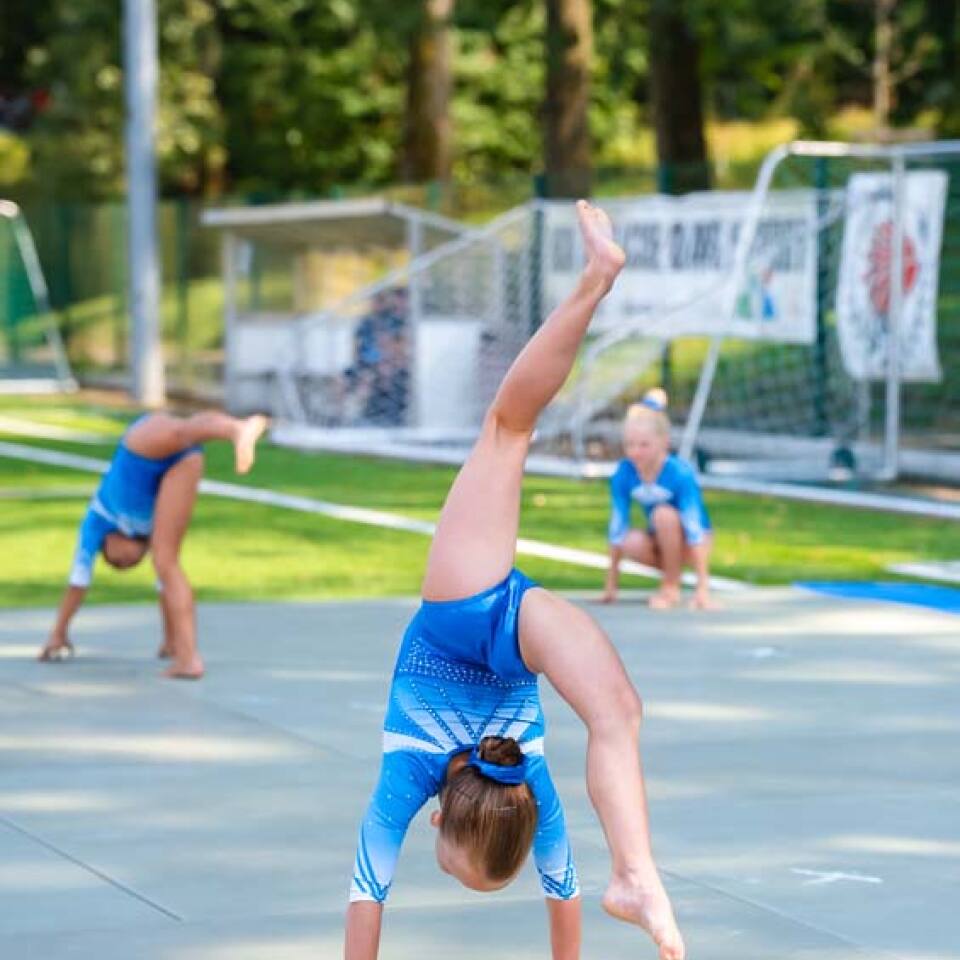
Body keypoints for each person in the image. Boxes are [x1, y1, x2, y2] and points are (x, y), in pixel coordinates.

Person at [345, 201, 684, 960]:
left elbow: (555, 898)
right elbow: (366, 900)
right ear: (443, 820)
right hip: (493, 615)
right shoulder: (520, 790)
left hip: (469, 619)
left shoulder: (425, 775)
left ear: (437, 818)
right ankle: (636, 874)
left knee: (510, 429)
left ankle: (596, 280)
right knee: (618, 711)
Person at [37, 411, 268, 679]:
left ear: (107, 545)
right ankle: (187, 658)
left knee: (183, 432)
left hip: (139, 448)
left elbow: (78, 582)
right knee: (166, 563)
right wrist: (169, 640)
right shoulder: (152, 535)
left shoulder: (97, 521)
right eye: (129, 565)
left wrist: (58, 633)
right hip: (181, 464)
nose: (124, 563)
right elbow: (164, 588)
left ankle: (235, 429)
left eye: (116, 562)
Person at [602, 389, 714, 610]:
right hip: (660, 540)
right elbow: (617, 524)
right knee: (630, 540)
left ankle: (670, 587)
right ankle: (671, 578)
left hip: (695, 542)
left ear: (664, 442)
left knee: (663, 515)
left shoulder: (679, 473)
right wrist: (610, 586)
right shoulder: (624, 473)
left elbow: (694, 526)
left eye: (644, 445)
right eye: (630, 445)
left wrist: (703, 588)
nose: (635, 452)